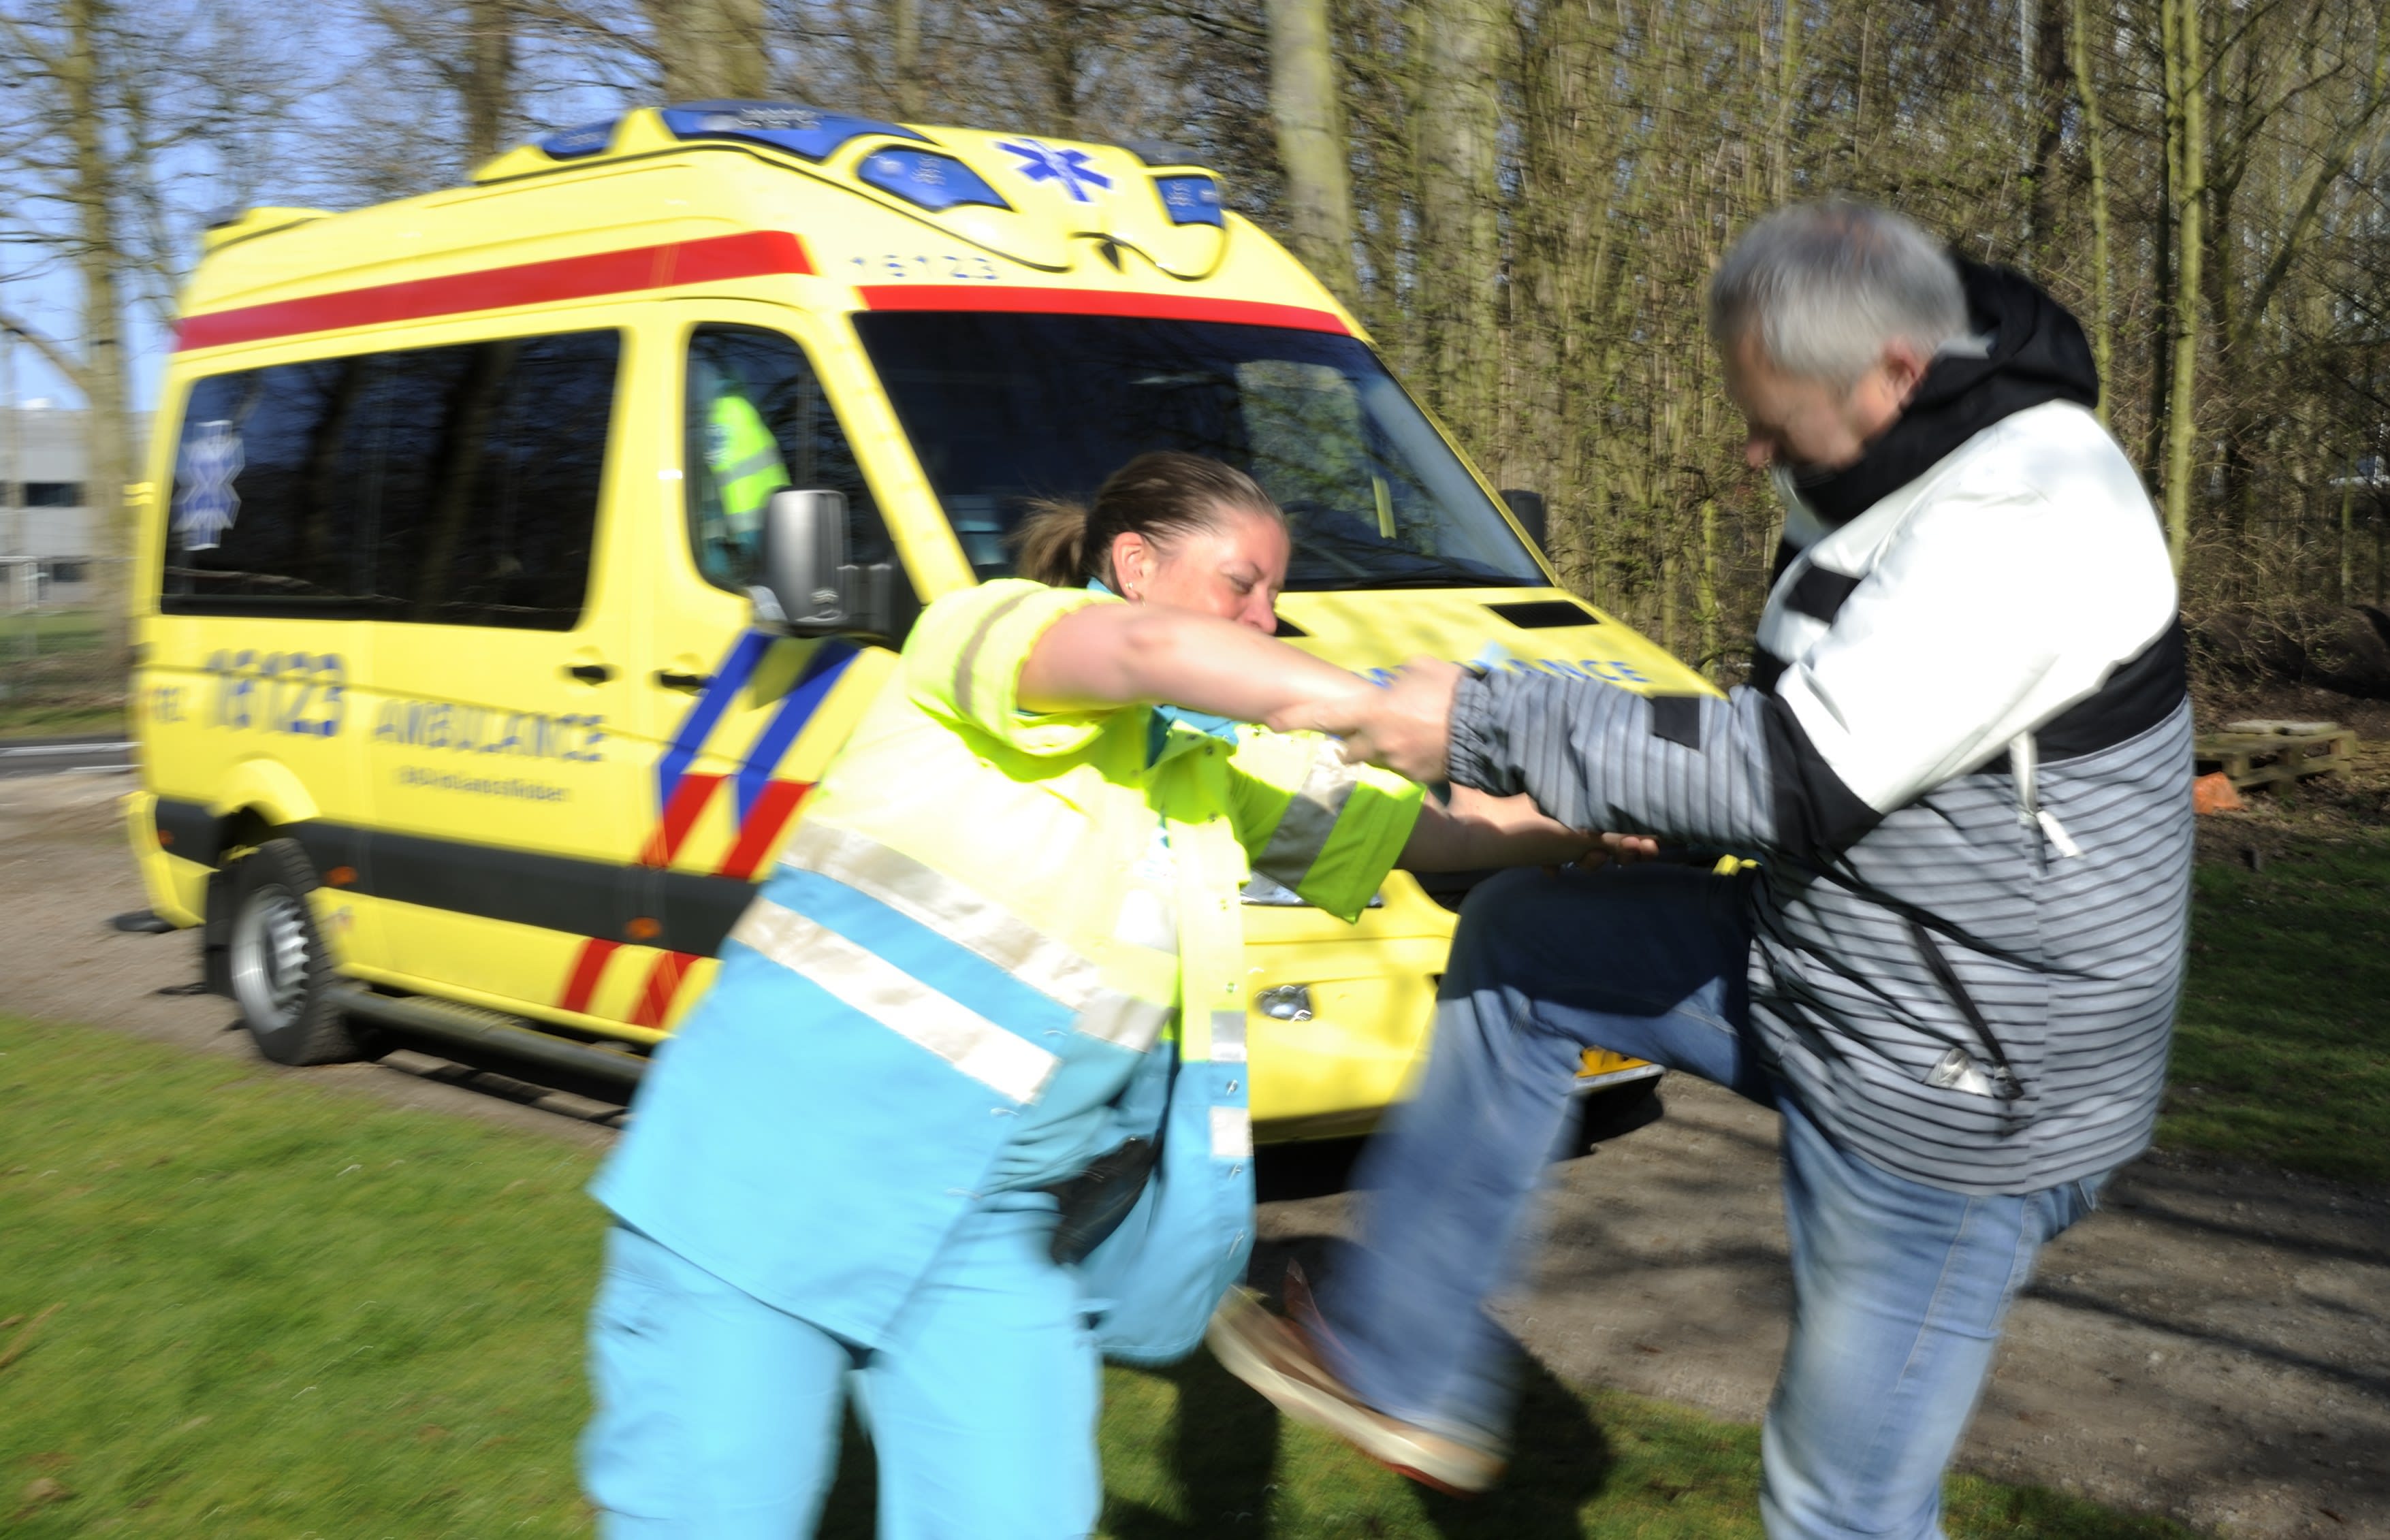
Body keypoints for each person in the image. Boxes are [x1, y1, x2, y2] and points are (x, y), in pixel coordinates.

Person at [1207, 202, 2191, 1540]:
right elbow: (1819, 743)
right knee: (1527, 950)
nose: (1752, 448)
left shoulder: (2031, 513)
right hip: (1831, 972)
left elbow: (1790, 772)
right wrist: (1632, 826)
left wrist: (1485, 721)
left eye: (1772, 418)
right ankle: (1403, 1366)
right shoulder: (1877, 456)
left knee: (1839, 1506)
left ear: (1895, 368)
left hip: (1963, 1090)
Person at [579, 450, 1610, 1539]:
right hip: (766, 1176)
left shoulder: (1213, 763)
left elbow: (1436, 827)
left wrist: (1608, 817)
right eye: (1241, 586)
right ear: (1131, 562)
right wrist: (1394, 704)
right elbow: (1147, 649)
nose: (1266, 620)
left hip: (990, 1226)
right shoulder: (989, 631)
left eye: (1274, 595)